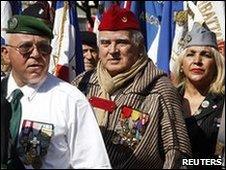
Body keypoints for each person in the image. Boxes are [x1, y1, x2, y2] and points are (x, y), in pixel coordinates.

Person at [72, 4, 191, 169]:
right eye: (105, 43)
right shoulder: (81, 84)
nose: (112, 50)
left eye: (121, 42)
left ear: (138, 46)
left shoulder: (159, 89)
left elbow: (177, 152)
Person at [1, 2, 111, 169]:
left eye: (43, 48)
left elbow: (93, 164)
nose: (36, 54)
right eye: (25, 48)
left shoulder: (70, 100)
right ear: (6, 54)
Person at [172, 22, 225, 167]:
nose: (197, 61)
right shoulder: (167, 98)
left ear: (216, 64)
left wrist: (184, 163)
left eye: (205, 55)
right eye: (190, 54)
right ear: (182, 64)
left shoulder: (222, 103)